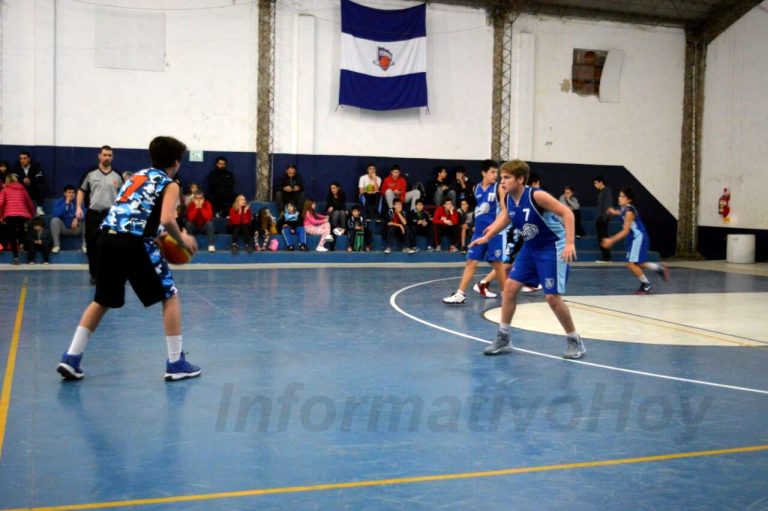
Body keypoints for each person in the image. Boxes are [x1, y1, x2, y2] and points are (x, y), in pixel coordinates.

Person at [56, 135, 201, 381]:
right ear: (177, 162)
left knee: (101, 300)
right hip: (132, 243)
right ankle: (176, 363)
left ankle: (71, 357)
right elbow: (167, 218)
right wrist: (182, 239)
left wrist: (156, 235)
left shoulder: (136, 176)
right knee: (170, 295)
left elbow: (134, 213)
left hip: (106, 238)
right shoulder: (170, 183)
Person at [470, 159, 585, 360]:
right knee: (510, 288)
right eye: (501, 177)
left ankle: (575, 340)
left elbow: (567, 213)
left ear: (521, 179)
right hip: (531, 248)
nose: (502, 181)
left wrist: (569, 243)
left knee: (552, 298)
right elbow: (507, 217)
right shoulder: (507, 198)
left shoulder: (537, 195)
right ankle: (504, 337)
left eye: (507, 177)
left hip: (552, 246)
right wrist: (488, 236)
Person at [443, 160, 507, 305]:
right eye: (492, 172)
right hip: (479, 232)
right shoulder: (475, 188)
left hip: (495, 232)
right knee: (471, 261)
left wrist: (495, 226)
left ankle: (506, 294)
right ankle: (460, 294)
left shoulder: (498, 188)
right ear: (483, 173)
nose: (495, 175)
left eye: (496, 173)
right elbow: (478, 209)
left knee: (497, 264)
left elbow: (505, 210)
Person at [600, 187, 670, 294]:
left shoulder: (629, 212)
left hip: (638, 238)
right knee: (638, 263)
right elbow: (622, 212)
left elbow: (625, 231)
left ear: (629, 200)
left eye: (622, 196)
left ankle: (646, 285)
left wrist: (611, 240)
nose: (619, 198)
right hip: (634, 238)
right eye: (619, 196)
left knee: (631, 264)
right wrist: (614, 212)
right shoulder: (625, 208)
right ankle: (658, 268)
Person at [77, 146, 124, 285]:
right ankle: (94, 275)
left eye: (109, 155)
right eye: (104, 155)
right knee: (92, 246)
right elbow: (81, 190)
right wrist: (78, 208)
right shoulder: (91, 173)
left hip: (111, 215)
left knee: (111, 246)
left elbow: (124, 195)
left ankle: (110, 273)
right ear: (99, 156)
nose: (107, 157)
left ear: (112, 157)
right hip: (93, 215)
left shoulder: (117, 175)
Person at [0, 174, 35, 265]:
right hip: (22, 214)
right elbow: (29, 203)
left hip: (9, 214)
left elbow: (0, 203)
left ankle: (16, 258)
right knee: (21, 230)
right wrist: (31, 214)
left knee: (12, 235)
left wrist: (1, 216)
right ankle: (22, 245)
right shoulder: (22, 189)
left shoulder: (5, 190)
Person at [50, 185, 85, 253]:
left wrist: (77, 219)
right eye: (69, 192)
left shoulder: (79, 201)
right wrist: (66, 204)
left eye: (73, 193)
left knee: (88, 221)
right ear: (64, 193)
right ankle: (56, 246)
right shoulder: (59, 202)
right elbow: (55, 214)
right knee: (54, 221)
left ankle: (85, 246)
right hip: (65, 228)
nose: (71, 195)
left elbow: (85, 213)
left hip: (77, 228)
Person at [11, 150, 45, 216]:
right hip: (21, 190)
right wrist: (23, 180)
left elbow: (40, 179)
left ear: (29, 159)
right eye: (21, 158)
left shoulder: (36, 167)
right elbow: (13, 179)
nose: (22, 160)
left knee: (41, 186)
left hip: (32, 190)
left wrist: (30, 181)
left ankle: (39, 208)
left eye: (24, 158)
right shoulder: (16, 167)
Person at [593, 175, 614, 263]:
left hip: (603, 218)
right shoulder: (601, 192)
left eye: (596, 183)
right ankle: (605, 256)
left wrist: (605, 218)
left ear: (601, 182)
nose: (595, 185)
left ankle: (606, 257)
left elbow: (608, 205)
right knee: (601, 238)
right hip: (600, 218)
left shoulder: (606, 191)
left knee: (603, 237)